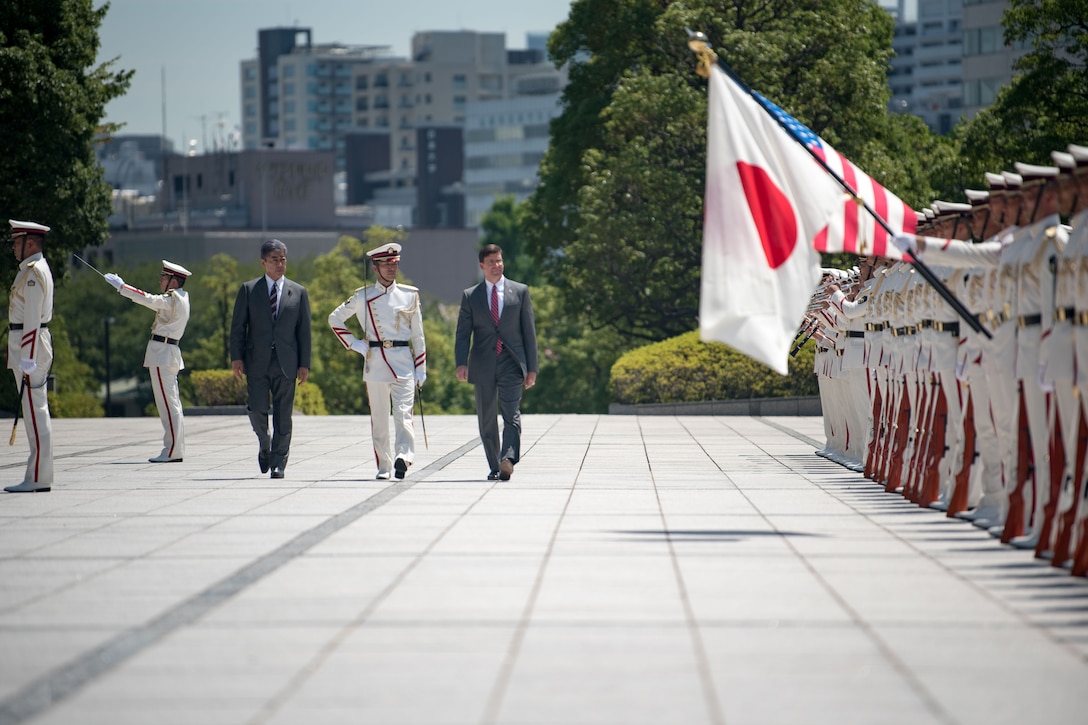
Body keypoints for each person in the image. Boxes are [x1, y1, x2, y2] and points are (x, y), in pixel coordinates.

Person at [328, 242, 426, 480]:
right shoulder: (363, 297)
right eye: (386, 264)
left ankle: (404, 457)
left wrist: (421, 368)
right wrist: (354, 343)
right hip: (376, 361)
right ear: (375, 267)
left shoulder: (409, 295)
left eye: (395, 264)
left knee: (404, 413)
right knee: (380, 418)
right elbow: (335, 319)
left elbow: (418, 335)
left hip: (403, 361)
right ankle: (384, 465)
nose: (392, 269)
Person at [230, 239, 312, 479]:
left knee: (283, 416)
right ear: (263, 262)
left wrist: (304, 363)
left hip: (287, 362)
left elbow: (304, 331)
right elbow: (238, 328)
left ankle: (279, 462)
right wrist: (237, 357)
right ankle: (264, 444)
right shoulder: (249, 290)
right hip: (256, 361)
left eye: (283, 259)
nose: (280, 264)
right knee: (257, 409)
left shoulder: (298, 292)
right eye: (274, 260)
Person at [455, 244, 538, 481]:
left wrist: (532, 368)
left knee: (511, 413)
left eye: (499, 261)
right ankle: (495, 465)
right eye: (491, 262)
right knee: (486, 417)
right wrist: (461, 363)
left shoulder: (520, 292)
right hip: (482, 364)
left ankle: (508, 458)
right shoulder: (471, 296)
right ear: (482, 265)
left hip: (512, 362)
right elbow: (463, 333)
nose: (496, 266)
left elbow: (529, 332)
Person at [104, 260, 193, 463]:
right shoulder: (181, 298)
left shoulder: (172, 299)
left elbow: (148, 299)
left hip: (163, 354)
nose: (161, 281)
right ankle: (175, 449)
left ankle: (172, 451)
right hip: (168, 353)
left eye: (164, 277)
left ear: (173, 281)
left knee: (167, 404)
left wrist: (122, 287)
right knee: (172, 403)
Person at [5, 220, 54, 493]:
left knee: (35, 414)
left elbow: (33, 319)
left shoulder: (34, 272)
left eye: (17, 242)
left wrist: (28, 357)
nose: (14, 247)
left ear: (30, 243)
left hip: (30, 347)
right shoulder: (30, 270)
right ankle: (38, 475)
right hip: (29, 346)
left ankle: (37, 478)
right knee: (35, 412)